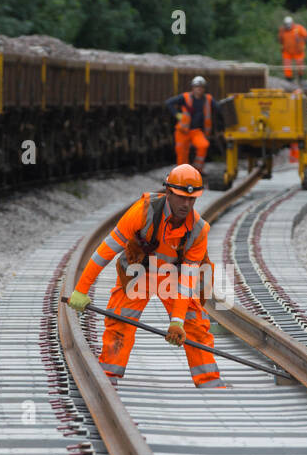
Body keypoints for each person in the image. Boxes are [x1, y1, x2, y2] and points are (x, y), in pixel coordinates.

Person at [66, 164, 225, 389]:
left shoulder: (199, 230)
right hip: (138, 272)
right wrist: (81, 289)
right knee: (120, 319)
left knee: (194, 325)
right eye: (181, 197)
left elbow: (188, 280)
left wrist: (177, 322)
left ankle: (210, 383)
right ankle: (109, 376)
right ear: (168, 192)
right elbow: (105, 252)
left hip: (174, 278)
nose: (186, 204)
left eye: (192, 199)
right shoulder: (142, 212)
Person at [166, 76, 213, 173]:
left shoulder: (207, 99)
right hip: (182, 131)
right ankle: (183, 174)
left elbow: (219, 108)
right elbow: (169, 103)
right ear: (193, 88)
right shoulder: (185, 97)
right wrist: (176, 114)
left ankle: (197, 169)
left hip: (196, 131)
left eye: (201, 87)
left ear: (204, 88)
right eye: (197, 87)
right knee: (181, 153)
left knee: (203, 145)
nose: (199, 89)